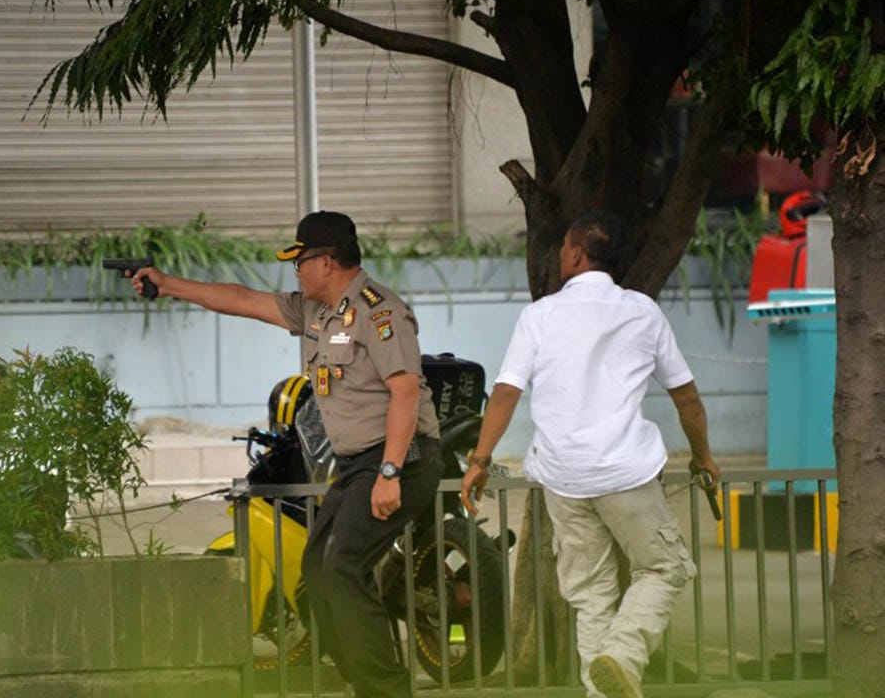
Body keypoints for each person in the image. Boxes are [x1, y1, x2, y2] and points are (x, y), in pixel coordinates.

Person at [131, 210, 442, 698]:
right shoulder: (316, 311)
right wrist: (168, 285)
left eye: (300, 260)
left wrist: (390, 472)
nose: (294, 269)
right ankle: (368, 684)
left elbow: (404, 393)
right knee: (316, 575)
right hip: (360, 463)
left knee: (341, 566)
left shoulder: (379, 311)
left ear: (327, 261)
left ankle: (386, 691)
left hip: (403, 458)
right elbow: (244, 300)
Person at [458, 211, 722, 698]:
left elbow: (506, 393)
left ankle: (601, 690)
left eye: (562, 247)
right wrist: (703, 455)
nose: (559, 254)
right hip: (625, 471)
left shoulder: (540, 316)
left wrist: (479, 461)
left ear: (577, 253)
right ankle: (620, 657)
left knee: (591, 596)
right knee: (665, 569)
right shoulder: (642, 311)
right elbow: (685, 395)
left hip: (563, 478)